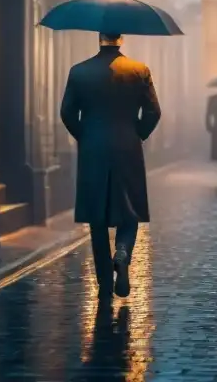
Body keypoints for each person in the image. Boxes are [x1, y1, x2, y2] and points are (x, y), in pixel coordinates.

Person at [60, 32, 161, 300]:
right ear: (122, 38)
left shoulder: (79, 72)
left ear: (99, 37)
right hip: (128, 146)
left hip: (93, 149)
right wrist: (137, 132)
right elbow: (154, 112)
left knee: (97, 216)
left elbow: (67, 112)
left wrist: (85, 135)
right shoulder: (139, 70)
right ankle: (124, 252)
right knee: (129, 210)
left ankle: (105, 283)